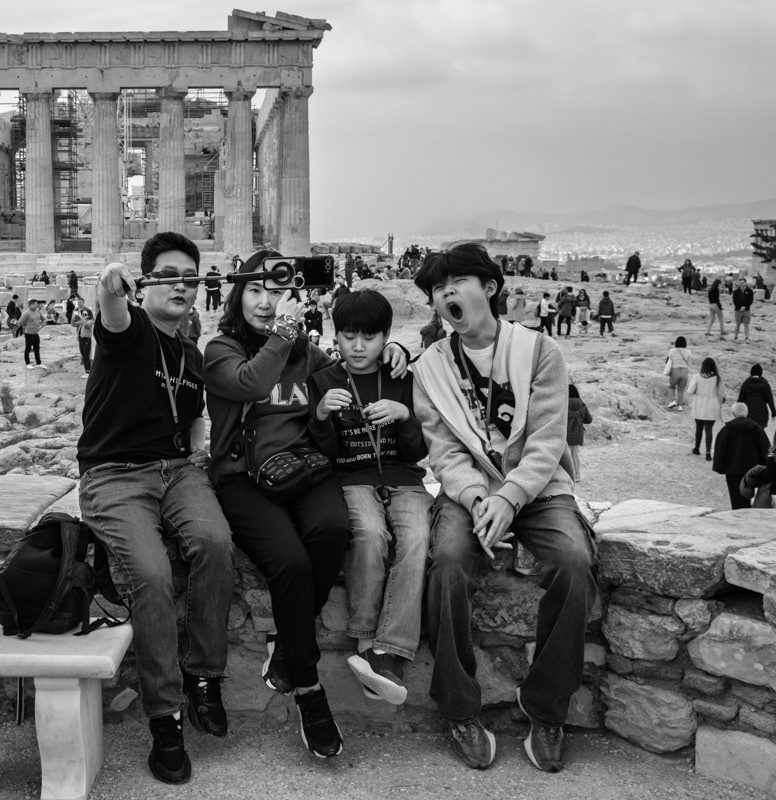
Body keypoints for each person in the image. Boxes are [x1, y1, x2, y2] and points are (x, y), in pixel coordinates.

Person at [411, 243, 596, 773]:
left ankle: (546, 706)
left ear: (489, 288)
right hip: (468, 494)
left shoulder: (538, 351)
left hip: (537, 492)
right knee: (446, 564)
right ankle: (459, 706)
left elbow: (545, 441)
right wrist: (476, 498)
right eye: (436, 289)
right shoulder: (431, 368)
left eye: (454, 283)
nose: (444, 293)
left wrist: (509, 498)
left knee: (574, 564)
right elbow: (443, 450)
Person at [76, 232, 234, 785]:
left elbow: (190, 414)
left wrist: (198, 444)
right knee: (151, 572)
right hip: (115, 475)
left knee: (216, 544)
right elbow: (112, 307)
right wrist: (111, 281)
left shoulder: (190, 352)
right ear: (145, 283)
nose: (182, 286)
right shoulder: (128, 331)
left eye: (190, 277)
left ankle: (205, 676)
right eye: (167, 275)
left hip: (176, 471)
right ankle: (165, 719)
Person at [204, 251, 352, 758]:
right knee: (288, 562)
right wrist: (285, 331)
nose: (267, 303)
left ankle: (287, 652)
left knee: (333, 531)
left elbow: (348, 376)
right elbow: (250, 383)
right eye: (256, 290)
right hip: (243, 477)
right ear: (237, 294)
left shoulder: (305, 351)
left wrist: (392, 351)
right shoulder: (220, 348)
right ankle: (310, 693)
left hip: (303, 468)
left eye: (277, 291)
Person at [307, 290, 428, 707]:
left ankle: (389, 653)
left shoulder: (402, 377)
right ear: (335, 336)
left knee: (415, 539)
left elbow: (418, 451)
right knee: (371, 534)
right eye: (348, 336)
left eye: (370, 337)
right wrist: (322, 414)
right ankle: (363, 647)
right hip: (351, 478)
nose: (358, 347)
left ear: (386, 337)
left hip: (405, 477)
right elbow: (321, 453)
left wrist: (405, 416)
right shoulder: (323, 380)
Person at [713, 403, 770, 510]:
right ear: (746, 413)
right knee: (747, 494)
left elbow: (720, 449)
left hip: (731, 469)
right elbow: (765, 448)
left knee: (735, 496)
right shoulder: (756, 429)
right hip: (751, 469)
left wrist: (719, 466)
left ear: (733, 413)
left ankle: (737, 516)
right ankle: (747, 514)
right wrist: (765, 467)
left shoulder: (727, 430)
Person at [688, 358, 727, 461]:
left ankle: (696, 448)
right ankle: (708, 453)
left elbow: (690, 391)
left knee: (699, 428)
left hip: (699, 404)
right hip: (712, 405)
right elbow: (721, 393)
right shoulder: (717, 378)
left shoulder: (696, 376)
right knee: (708, 429)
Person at [566, 384, 593, 482]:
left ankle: (566, 476)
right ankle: (577, 476)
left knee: (564, 456)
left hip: (565, 434)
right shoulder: (582, 405)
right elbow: (589, 420)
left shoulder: (564, 404)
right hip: (577, 434)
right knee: (575, 455)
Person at [738, 364, 776, 429]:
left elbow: (740, 400)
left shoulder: (746, 383)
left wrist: (738, 413)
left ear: (751, 372)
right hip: (762, 414)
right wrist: (773, 412)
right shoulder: (765, 384)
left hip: (748, 413)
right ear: (761, 373)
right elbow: (770, 400)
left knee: (749, 434)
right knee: (760, 436)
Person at [665, 336, 693, 411]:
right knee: (681, 390)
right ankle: (680, 406)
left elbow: (669, 359)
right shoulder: (688, 352)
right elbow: (689, 363)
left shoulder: (672, 350)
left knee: (672, 387)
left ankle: (672, 401)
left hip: (675, 370)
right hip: (684, 371)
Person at [19, 298, 45, 369]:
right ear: (31, 305)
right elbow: (20, 322)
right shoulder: (27, 313)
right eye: (36, 304)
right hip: (29, 334)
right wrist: (26, 326)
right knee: (28, 349)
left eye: (37, 304)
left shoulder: (38, 312)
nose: (37, 306)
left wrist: (41, 326)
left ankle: (38, 362)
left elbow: (44, 319)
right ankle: (27, 363)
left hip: (36, 333)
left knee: (37, 348)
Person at [72, 307, 94, 377]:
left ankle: (88, 372)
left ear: (89, 315)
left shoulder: (91, 321)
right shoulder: (82, 321)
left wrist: (82, 318)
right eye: (83, 314)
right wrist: (73, 317)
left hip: (86, 340)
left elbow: (87, 325)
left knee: (86, 356)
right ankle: (87, 371)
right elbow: (73, 324)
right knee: (83, 356)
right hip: (81, 340)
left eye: (85, 314)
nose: (84, 315)